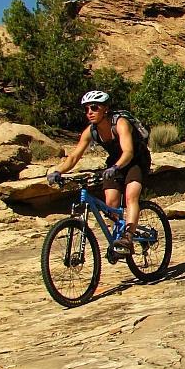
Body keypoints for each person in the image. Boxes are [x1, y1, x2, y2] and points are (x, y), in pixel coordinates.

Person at [46, 91, 151, 253]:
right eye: (87, 109)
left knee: (131, 196)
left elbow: (128, 152)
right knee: (110, 202)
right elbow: (74, 157)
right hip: (114, 163)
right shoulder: (91, 131)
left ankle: (128, 238)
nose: (89, 112)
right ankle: (118, 236)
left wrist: (116, 168)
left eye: (94, 108)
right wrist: (57, 171)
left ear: (105, 109)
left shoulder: (120, 123)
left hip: (136, 160)